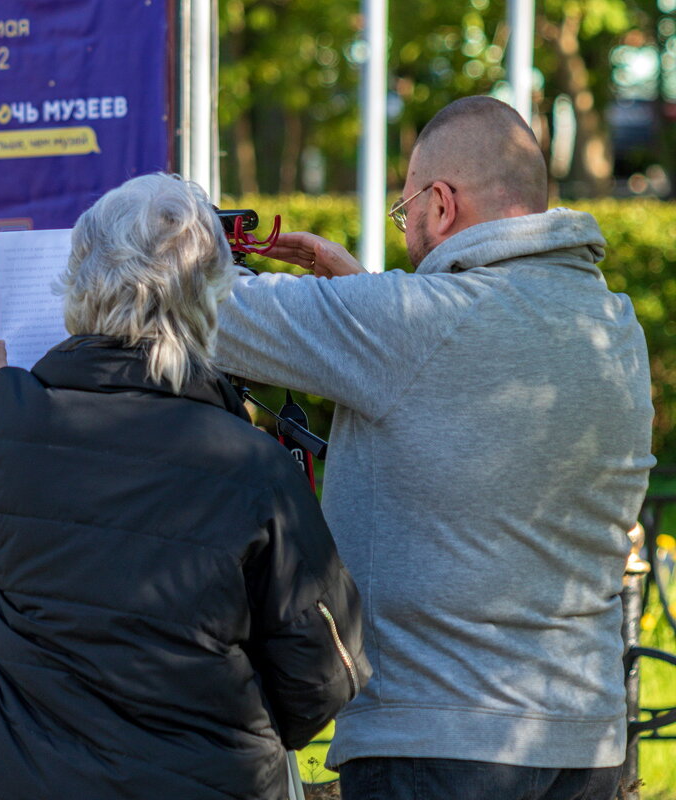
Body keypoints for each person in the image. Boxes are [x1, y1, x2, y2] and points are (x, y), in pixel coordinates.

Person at [215, 96, 656, 799]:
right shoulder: (611, 326)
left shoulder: (416, 328)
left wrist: (195, 237)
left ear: (441, 203)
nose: (408, 228)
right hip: (585, 742)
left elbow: (204, 313)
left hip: (437, 746)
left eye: (407, 208)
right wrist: (359, 302)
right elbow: (459, 390)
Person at [0, 174, 370, 800]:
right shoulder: (253, 465)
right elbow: (321, 677)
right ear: (213, 299)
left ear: (76, 285)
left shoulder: (4, 428)